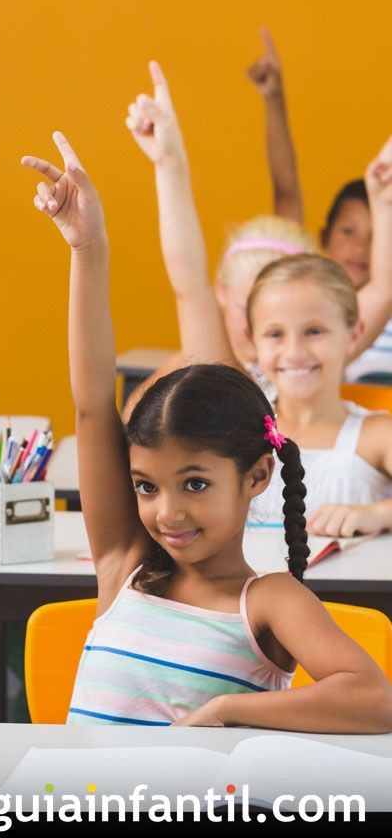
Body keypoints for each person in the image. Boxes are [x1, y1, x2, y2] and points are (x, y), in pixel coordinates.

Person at [19, 129, 392, 731]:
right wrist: (88, 249)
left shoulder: (271, 601)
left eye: (194, 484)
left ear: (256, 476)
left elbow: (377, 701)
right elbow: (92, 405)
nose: (166, 512)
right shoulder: (126, 566)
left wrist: (227, 709)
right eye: (145, 486)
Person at [125, 62, 392, 400]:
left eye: (282, 317)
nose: (258, 327)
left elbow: (383, 289)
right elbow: (188, 278)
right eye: (249, 309)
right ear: (222, 291)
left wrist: (383, 204)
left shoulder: (311, 361)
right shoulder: (213, 362)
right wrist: (168, 162)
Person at [247, 29, 392, 382]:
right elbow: (286, 189)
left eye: (376, 237)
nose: (361, 247)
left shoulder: (380, 302)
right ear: (323, 236)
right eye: (349, 231)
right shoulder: (296, 296)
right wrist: (274, 101)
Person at [247, 254, 392, 536]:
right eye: (275, 334)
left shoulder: (376, 435)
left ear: (353, 335)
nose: (295, 352)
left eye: (314, 331)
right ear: (252, 339)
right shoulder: (235, 432)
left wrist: (379, 513)